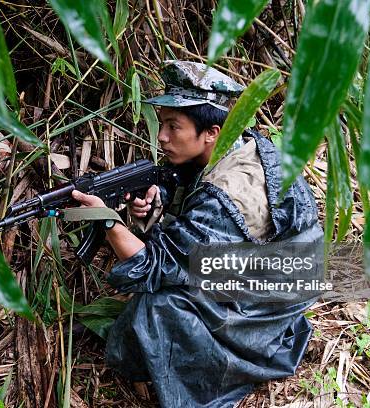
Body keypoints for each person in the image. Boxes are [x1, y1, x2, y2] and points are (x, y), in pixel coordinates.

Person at [71, 60, 322, 408]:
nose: (162, 137)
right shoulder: (240, 146)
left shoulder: (229, 193)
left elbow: (150, 267)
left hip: (275, 298)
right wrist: (154, 207)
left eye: (174, 127)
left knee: (158, 307)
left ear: (212, 132)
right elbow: (193, 227)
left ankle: (217, 373)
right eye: (163, 125)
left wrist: (106, 219)